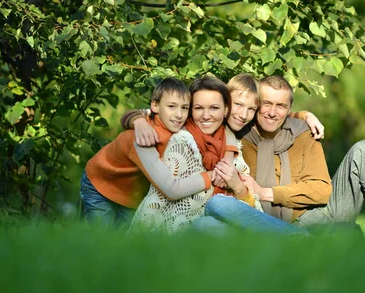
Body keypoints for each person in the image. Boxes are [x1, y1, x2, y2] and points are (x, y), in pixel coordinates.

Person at [128, 75, 304, 235]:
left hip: (212, 229)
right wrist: (137, 120)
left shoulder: (232, 143)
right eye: (198, 108)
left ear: (224, 109)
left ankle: (296, 240)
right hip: (175, 233)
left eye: (214, 108)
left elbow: (251, 209)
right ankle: (296, 238)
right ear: (190, 109)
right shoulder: (182, 139)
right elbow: (171, 196)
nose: (206, 116)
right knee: (213, 211)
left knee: (211, 219)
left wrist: (238, 187)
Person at [236, 75, 365, 235]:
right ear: (256, 104)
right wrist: (304, 114)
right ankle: (339, 235)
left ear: (289, 109)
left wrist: (266, 192)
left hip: (320, 212)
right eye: (266, 103)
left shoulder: (303, 132)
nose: (272, 112)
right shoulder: (239, 135)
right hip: (277, 223)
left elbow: (322, 190)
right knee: (343, 237)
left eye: (281, 106)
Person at [79, 78, 212, 226]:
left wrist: (137, 119)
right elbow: (171, 189)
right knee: (102, 239)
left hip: (131, 193)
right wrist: (211, 176)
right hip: (101, 183)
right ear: (155, 106)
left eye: (184, 108)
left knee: (127, 240)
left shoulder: (173, 123)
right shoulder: (143, 138)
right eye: (172, 106)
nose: (179, 114)